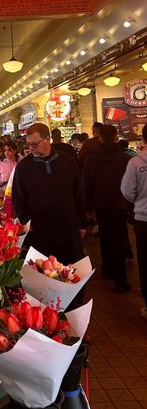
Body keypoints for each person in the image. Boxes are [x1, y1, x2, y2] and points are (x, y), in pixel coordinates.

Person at [12, 123, 86, 264]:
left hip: (68, 228)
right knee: (43, 272)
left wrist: (82, 223)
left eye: (35, 144)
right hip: (39, 231)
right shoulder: (23, 167)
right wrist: (25, 221)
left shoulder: (67, 161)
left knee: (72, 271)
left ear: (47, 139)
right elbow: (18, 198)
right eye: (28, 145)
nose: (31, 148)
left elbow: (78, 193)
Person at [83, 124, 131, 292]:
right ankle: (120, 279)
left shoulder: (93, 158)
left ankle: (108, 268)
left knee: (105, 238)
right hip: (120, 204)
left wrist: (88, 206)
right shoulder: (124, 158)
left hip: (100, 203)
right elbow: (130, 184)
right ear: (116, 136)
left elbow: (87, 183)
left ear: (101, 138)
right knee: (119, 238)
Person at [121, 124, 147, 320]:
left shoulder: (136, 163)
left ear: (142, 139)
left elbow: (127, 191)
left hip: (143, 218)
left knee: (145, 262)